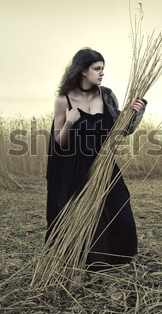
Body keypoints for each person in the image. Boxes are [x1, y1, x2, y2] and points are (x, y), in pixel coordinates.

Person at [45, 48, 147, 269]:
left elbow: (122, 129)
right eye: (97, 69)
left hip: (105, 165)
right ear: (83, 70)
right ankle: (93, 264)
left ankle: (119, 260)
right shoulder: (63, 101)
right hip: (76, 169)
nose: (102, 73)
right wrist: (70, 122)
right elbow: (60, 143)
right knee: (89, 219)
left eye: (103, 69)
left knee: (122, 212)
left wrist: (134, 111)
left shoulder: (107, 95)